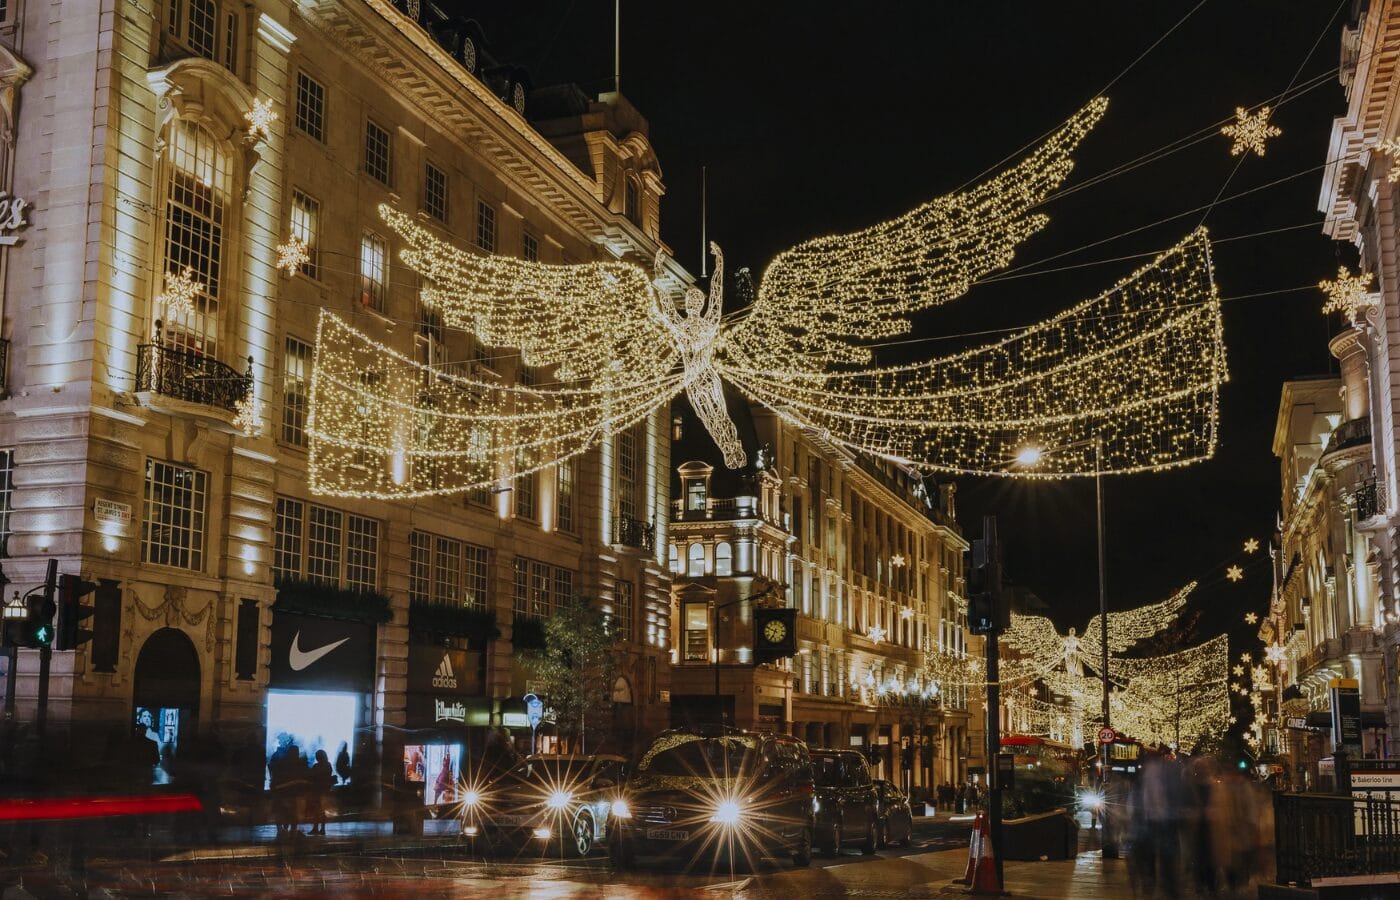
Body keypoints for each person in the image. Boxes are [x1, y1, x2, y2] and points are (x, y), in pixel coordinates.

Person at [307, 750, 334, 836]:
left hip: (317, 791)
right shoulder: (328, 765)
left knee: (316, 811)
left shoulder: (316, 766)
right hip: (326, 791)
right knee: (322, 811)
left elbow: (311, 776)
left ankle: (315, 828)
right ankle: (322, 829)